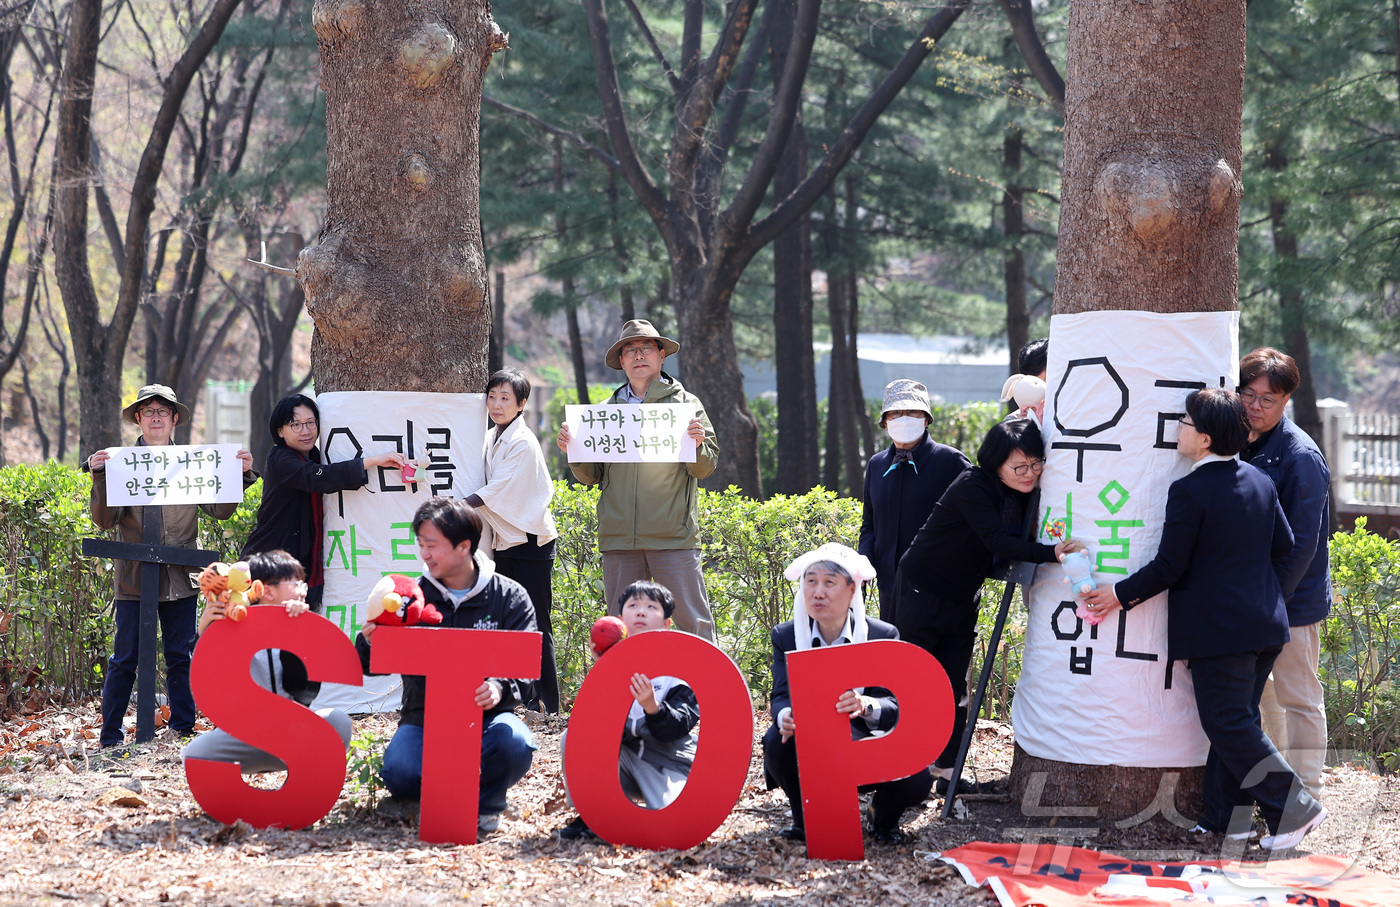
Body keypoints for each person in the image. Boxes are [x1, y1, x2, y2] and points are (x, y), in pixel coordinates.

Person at [1081, 388, 1327, 851]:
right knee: (1236, 722)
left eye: (1186, 423)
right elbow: (1284, 544)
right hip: (1264, 624)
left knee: (1228, 724)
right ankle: (1225, 820)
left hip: (1222, 630)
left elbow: (1169, 566)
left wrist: (1117, 594)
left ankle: (1295, 808)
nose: (1179, 429)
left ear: (1206, 438)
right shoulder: (1259, 480)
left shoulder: (1189, 490)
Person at [895, 418, 1080, 793]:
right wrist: (1053, 553)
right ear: (996, 464)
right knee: (914, 681)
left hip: (963, 596)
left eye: (1036, 464)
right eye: (1019, 467)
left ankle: (947, 772)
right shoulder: (973, 486)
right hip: (921, 591)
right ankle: (902, 771)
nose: (1030, 474)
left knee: (954, 687)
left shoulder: (1021, 493)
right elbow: (998, 542)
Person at [86, 384, 258, 748]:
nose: (156, 418)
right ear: (138, 419)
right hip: (134, 579)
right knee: (125, 658)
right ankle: (110, 737)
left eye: (163, 411)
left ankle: (183, 728)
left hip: (181, 578)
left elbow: (220, 510)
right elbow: (104, 520)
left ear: (175, 419)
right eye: (148, 412)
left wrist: (239, 474)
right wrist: (99, 477)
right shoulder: (120, 464)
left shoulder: (193, 463)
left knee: (181, 654)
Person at [357, 498, 538, 834]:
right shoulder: (411, 599)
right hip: (424, 717)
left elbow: (527, 668)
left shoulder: (509, 597)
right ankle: (429, 801)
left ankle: (487, 804)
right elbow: (370, 667)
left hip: (489, 717)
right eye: (421, 545)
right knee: (399, 771)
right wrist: (370, 641)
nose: (424, 554)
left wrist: (499, 688)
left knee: (514, 743)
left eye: (432, 545)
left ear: (463, 547)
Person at [556, 319, 720, 642]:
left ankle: (706, 678)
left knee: (694, 626)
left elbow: (705, 468)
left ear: (661, 356)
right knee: (619, 630)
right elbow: (591, 475)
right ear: (621, 361)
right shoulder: (604, 412)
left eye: (646, 348)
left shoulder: (686, 405)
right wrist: (573, 450)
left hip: (673, 538)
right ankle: (627, 680)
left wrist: (698, 445)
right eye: (630, 351)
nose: (639, 355)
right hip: (620, 540)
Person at [763, 543, 932, 845]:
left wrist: (866, 705)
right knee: (777, 740)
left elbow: (894, 703)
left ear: (852, 590)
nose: (818, 592)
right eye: (811, 581)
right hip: (813, 741)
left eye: (829, 583)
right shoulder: (785, 636)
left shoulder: (882, 635)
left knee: (918, 777)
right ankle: (805, 820)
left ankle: (882, 817)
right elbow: (781, 695)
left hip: (866, 741)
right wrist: (786, 715)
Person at [1238, 348, 1332, 803]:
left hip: (1292, 600)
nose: (1255, 406)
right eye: (1248, 394)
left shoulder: (1301, 457)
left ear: (1286, 401)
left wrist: (1271, 601)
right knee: (1264, 697)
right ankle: (1281, 790)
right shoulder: (1240, 440)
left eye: (1267, 399)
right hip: (1254, 596)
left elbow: (1302, 545)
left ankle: (1308, 791)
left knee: (1298, 696)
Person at [181, 550, 353, 771]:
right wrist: (204, 632)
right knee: (195, 755)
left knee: (338, 721)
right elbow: (207, 683)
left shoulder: (301, 626)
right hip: (242, 738)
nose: (304, 592)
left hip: (291, 734)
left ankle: (308, 781)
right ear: (268, 591)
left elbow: (304, 694)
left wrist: (300, 633)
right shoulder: (232, 628)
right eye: (297, 584)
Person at [557, 581, 700, 841]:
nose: (641, 611)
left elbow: (680, 725)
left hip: (667, 763)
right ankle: (591, 815)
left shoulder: (680, 671)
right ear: (621, 619)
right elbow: (592, 724)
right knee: (573, 736)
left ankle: (656, 813)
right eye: (633, 605)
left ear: (666, 623)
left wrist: (653, 708)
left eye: (651, 607)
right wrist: (603, 670)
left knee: (674, 828)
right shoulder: (612, 666)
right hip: (624, 761)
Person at [241, 394, 406, 607]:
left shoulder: (315, 455)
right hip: (269, 559)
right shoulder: (280, 457)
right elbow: (317, 477)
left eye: (311, 423)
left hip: (299, 560)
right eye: (296, 425)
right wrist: (372, 461)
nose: (306, 431)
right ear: (280, 431)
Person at [465, 369, 560, 713]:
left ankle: (548, 703)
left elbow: (499, 487)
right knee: (508, 621)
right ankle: (519, 697)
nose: (496, 404)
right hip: (505, 542)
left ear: (521, 404)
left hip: (532, 542)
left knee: (536, 623)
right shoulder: (491, 436)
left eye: (505, 398)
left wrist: (458, 506)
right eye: (492, 396)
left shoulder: (522, 441)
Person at [859, 379, 969, 620]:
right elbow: (869, 524)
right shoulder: (877, 465)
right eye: (896, 413)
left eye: (912, 412)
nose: (904, 418)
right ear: (884, 422)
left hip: (940, 595)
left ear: (927, 419)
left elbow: (974, 524)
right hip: (889, 591)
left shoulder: (952, 463)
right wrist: (862, 566)